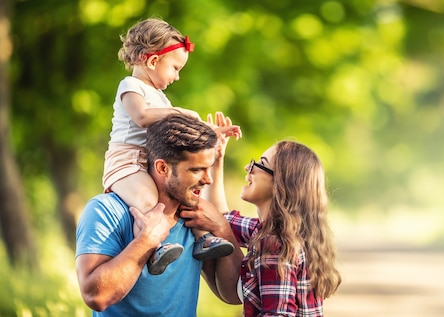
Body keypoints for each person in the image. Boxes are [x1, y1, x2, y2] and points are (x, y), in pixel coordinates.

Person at [103, 17, 238, 274]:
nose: (177, 77)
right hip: (126, 163)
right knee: (148, 200)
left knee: (187, 199)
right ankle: (153, 247)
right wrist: (176, 111)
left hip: (152, 161)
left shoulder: (161, 97)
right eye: (175, 68)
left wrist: (212, 132)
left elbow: (175, 129)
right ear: (153, 61)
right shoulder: (131, 86)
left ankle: (203, 239)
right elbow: (142, 116)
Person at [76, 114, 244, 315]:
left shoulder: (196, 220)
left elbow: (234, 294)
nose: (207, 179)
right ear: (162, 168)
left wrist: (223, 229)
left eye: (209, 168)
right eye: (197, 170)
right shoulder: (106, 210)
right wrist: (147, 241)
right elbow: (96, 296)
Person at [181, 139, 342, 316]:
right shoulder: (270, 231)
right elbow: (218, 217)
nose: (248, 168)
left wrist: (222, 228)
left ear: (280, 184)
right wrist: (217, 160)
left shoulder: (277, 243)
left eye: (260, 165)